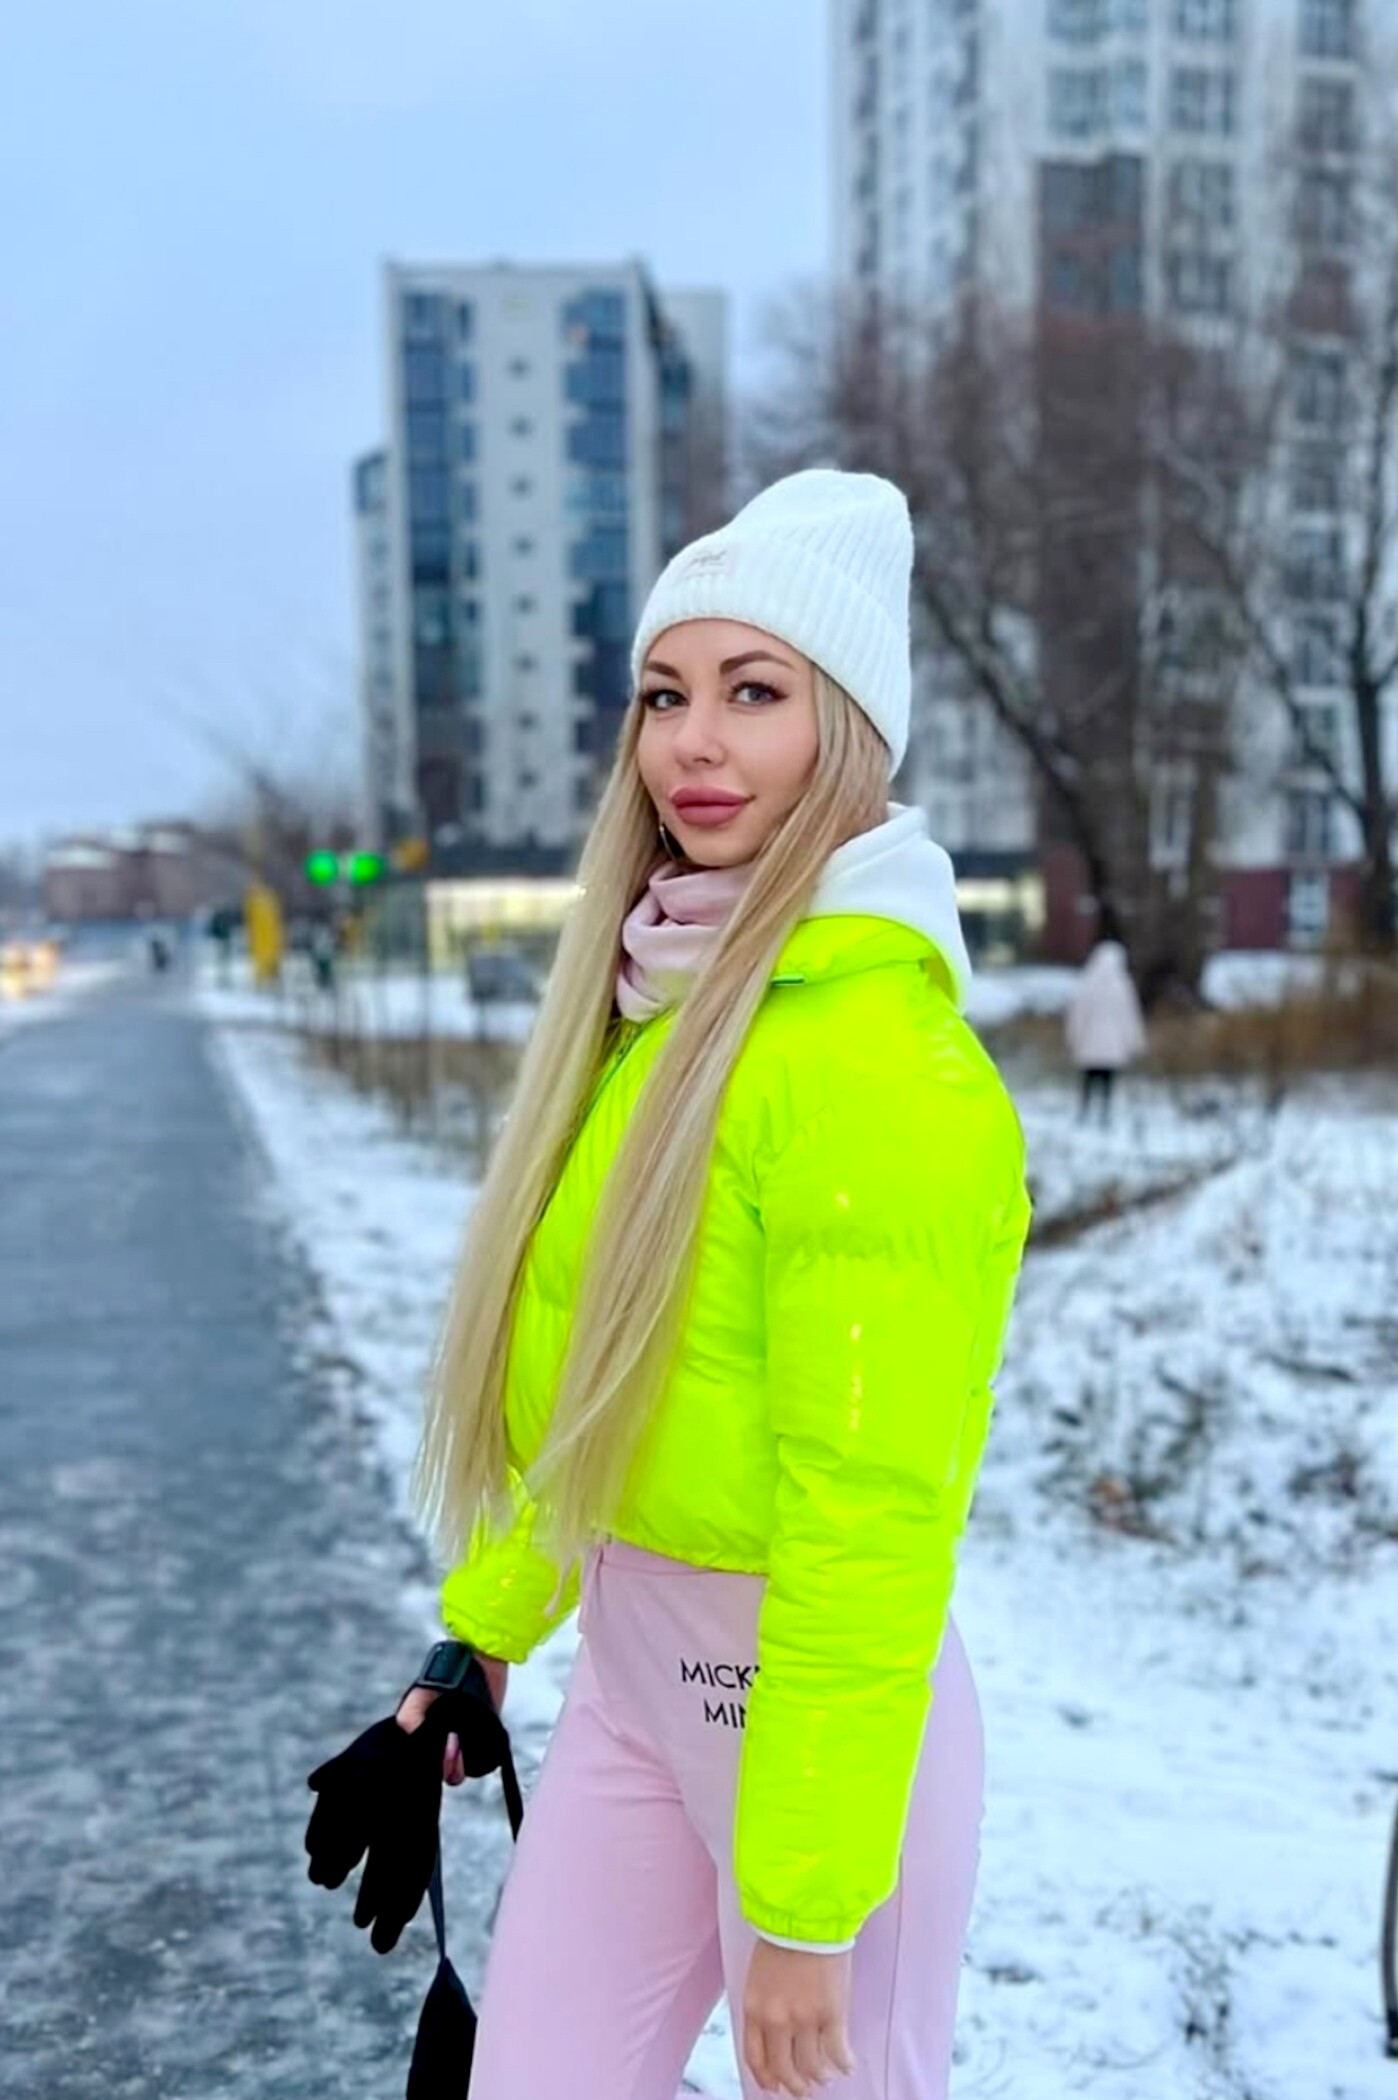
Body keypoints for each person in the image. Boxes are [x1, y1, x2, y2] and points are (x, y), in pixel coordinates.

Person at [398, 470, 1032, 2100]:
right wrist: (483, 1637)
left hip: (805, 1721)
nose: (693, 742)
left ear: (846, 732)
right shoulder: (656, 1013)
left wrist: (806, 1910)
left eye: (754, 693)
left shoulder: (874, 1068)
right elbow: (605, 1386)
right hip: (632, 1684)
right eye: (664, 694)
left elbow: (865, 1522)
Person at [1064, 938, 1147, 1126]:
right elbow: (1130, 1017)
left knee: (1088, 1079)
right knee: (1108, 1081)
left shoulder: (1086, 982)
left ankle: (1084, 1112)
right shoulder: (1123, 985)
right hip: (1113, 1045)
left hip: (1089, 1043)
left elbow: (1077, 1015)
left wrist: (1073, 1039)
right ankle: (1105, 1113)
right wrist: (1135, 1043)